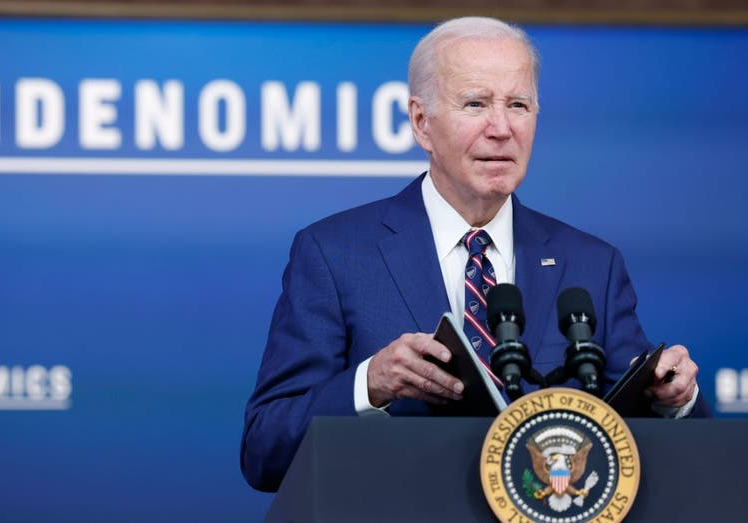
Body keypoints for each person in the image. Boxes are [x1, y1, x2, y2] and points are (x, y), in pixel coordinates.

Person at [241, 16, 707, 493]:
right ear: (422, 122)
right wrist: (371, 384)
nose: (501, 128)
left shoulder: (593, 265)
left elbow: (671, 456)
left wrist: (677, 398)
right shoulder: (335, 254)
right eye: (475, 103)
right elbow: (265, 453)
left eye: (519, 105)